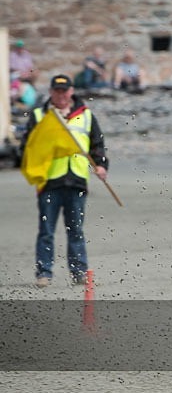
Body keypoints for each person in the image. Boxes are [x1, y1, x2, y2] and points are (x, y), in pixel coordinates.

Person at [21, 74, 109, 287]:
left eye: (64, 91)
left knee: (75, 229)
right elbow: (27, 146)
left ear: (71, 91)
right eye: (57, 91)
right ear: (51, 92)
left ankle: (79, 272)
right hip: (49, 181)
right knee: (46, 231)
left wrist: (101, 165)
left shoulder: (86, 115)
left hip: (77, 180)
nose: (61, 95)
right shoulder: (40, 115)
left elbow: (97, 144)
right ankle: (44, 273)